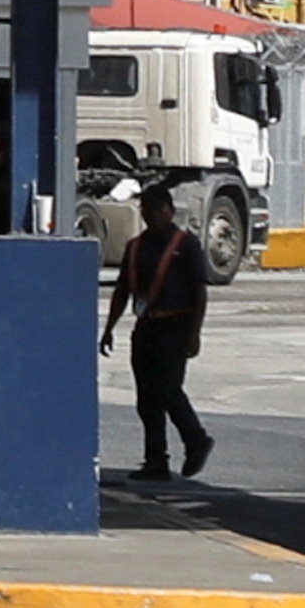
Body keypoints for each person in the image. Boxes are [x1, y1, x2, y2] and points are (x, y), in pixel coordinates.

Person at [104, 187, 217, 480]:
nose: (152, 217)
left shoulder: (186, 245)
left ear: (169, 210)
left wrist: (195, 333)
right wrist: (108, 329)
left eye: (158, 211)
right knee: (146, 398)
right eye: (147, 212)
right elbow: (122, 290)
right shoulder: (136, 247)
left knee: (168, 389)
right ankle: (156, 460)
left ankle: (195, 438)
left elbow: (199, 293)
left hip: (175, 327)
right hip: (146, 328)